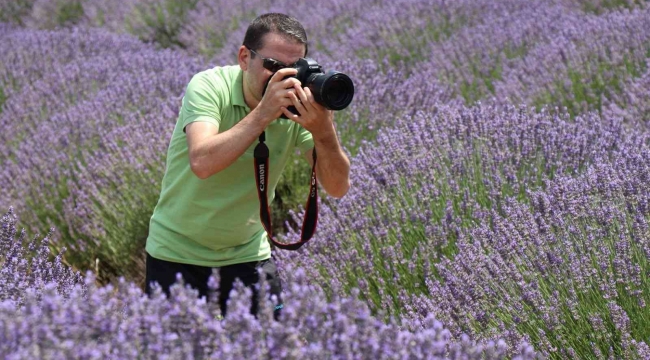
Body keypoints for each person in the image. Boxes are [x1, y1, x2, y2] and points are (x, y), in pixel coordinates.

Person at [144, 13, 350, 320]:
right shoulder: (210, 87)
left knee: (273, 348)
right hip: (177, 254)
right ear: (244, 57)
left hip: (248, 255)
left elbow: (337, 187)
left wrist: (323, 131)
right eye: (273, 66)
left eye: (294, 68)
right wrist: (264, 113)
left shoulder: (297, 106)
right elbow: (202, 162)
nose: (284, 78)